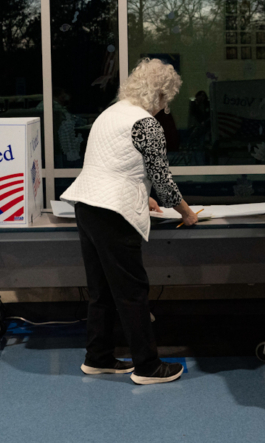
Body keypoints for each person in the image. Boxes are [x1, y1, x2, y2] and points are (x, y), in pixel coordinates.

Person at [60, 58, 199, 385]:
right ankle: (147, 366)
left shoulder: (111, 113)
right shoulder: (147, 124)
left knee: (101, 291)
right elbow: (163, 183)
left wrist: (142, 193)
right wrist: (187, 213)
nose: (167, 106)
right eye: (168, 99)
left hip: (87, 205)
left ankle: (98, 358)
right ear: (162, 95)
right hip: (113, 213)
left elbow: (113, 164)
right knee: (132, 292)